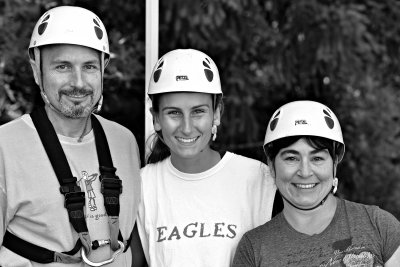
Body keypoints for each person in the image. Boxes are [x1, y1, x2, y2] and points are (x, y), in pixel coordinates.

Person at [0, 6, 142, 266]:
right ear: (36, 70)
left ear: (104, 67)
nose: (78, 82)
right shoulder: (4, 148)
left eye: (89, 66)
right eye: (63, 66)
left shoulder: (125, 142)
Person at [136, 48, 277, 267]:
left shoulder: (258, 178)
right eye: (173, 113)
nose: (186, 127)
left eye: (198, 112)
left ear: (217, 113)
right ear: (155, 118)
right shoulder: (142, 185)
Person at [232, 100, 400, 266]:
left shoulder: (379, 226)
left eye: (317, 158)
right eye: (291, 158)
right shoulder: (253, 249)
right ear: (272, 165)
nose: (305, 172)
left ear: (334, 162)